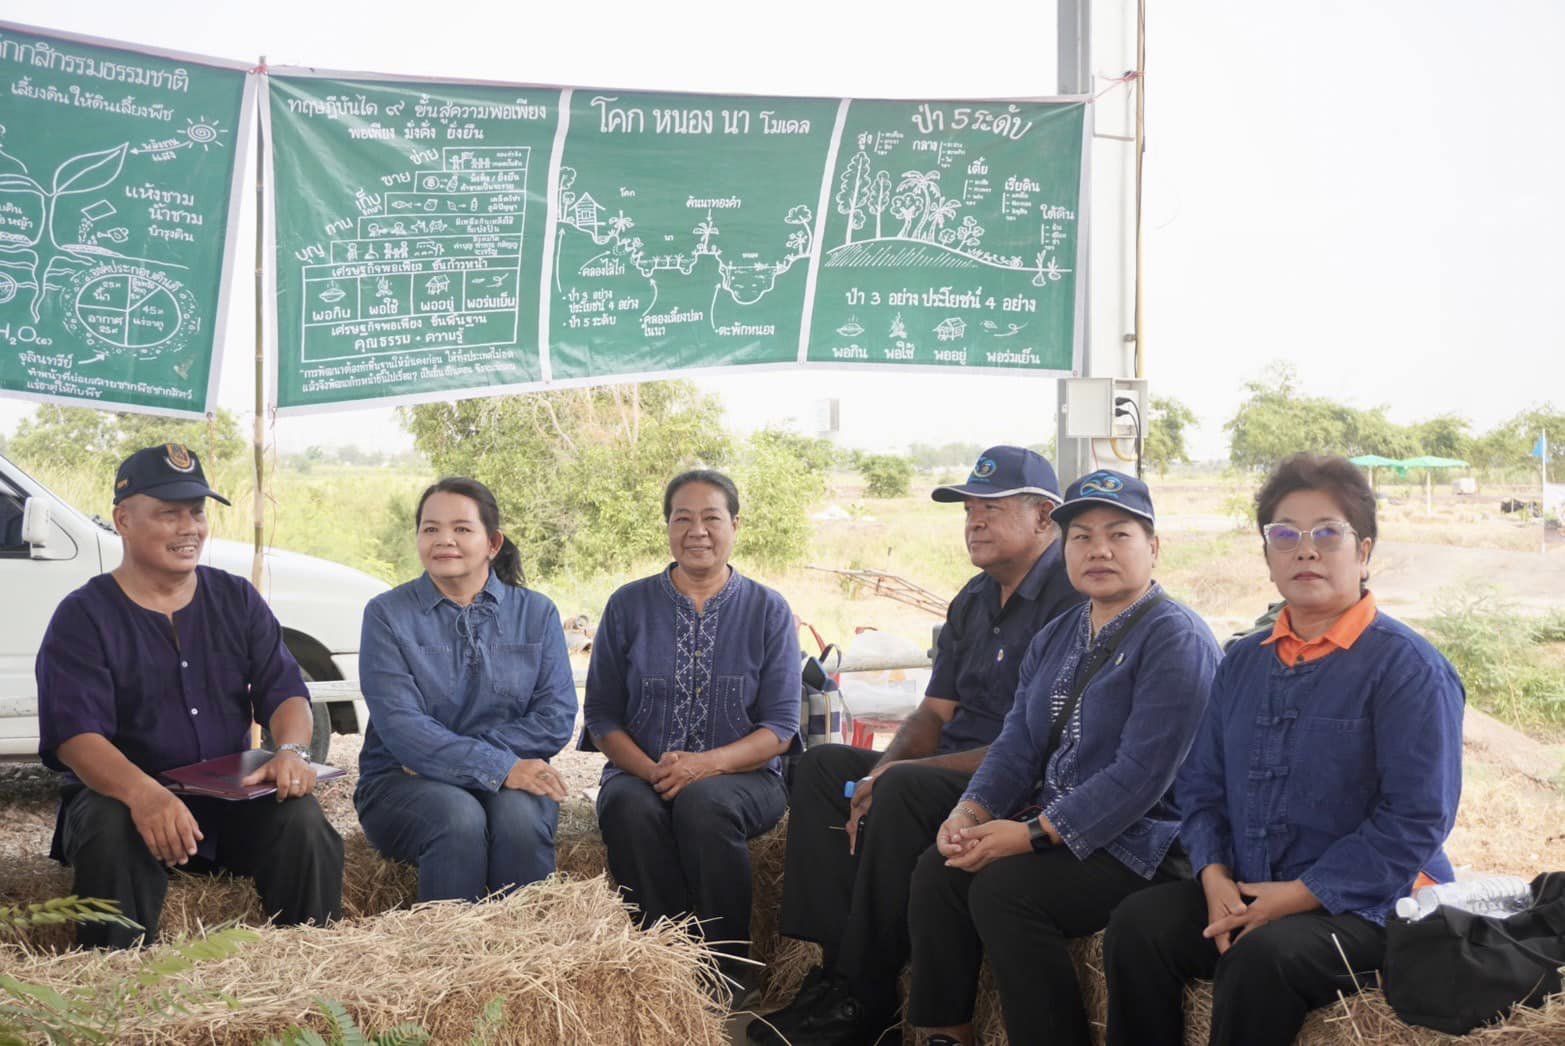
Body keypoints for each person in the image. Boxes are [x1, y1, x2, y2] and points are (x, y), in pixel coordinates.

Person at [1103, 453, 1465, 1046]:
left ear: (1365, 552)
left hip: (1370, 906)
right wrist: (1214, 877)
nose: (1306, 550)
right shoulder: (1244, 661)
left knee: (1261, 959)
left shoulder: (1408, 669)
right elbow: (1202, 786)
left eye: (1328, 533)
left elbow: (1416, 819)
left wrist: (1296, 898)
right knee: (1137, 925)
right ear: (1267, 554)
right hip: (1248, 884)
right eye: (1285, 534)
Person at [751, 446, 1084, 1046]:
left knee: (904, 786)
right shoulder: (973, 598)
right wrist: (881, 767)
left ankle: (868, 996)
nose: (974, 521)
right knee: (826, 767)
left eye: (992, 507)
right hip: (950, 769)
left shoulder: (1072, 599)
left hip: (1020, 783)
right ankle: (834, 975)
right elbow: (933, 712)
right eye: (967, 510)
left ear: (1045, 518)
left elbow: (1033, 746)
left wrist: (896, 778)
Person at [906, 469, 1219, 1046]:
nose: (1098, 549)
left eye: (1119, 535)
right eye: (1082, 536)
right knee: (939, 868)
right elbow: (1017, 745)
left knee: (1006, 890)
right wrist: (969, 814)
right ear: (1064, 546)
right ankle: (947, 1034)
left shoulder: (1176, 638)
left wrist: (1028, 836)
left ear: (1154, 547)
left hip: (1146, 845)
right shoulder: (1057, 634)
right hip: (1061, 830)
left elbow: (1141, 778)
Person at [36, 443, 343, 948]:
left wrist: (290, 750)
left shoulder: (237, 598)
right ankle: (116, 989)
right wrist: (144, 794)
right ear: (123, 521)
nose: (189, 528)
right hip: (124, 801)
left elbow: (285, 690)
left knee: (302, 818)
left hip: (228, 803)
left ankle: (315, 969)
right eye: (168, 514)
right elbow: (75, 737)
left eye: (197, 513)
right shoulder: (83, 616)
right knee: (110, 826)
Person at [582, 469, 800, 991]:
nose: (697, 531)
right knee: (628, 807)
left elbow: (781, 727)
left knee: (705, 804)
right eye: (683, 518)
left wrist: (706, 765)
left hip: (747, 777)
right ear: (667, 528)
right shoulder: (627, 606)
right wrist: (655, 770)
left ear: (735, 525)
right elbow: (603, 716)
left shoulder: (769, 610)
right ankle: (668, 966)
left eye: (711, 518)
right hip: (641, 770)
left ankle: (727, 971)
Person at [355, 477, 576, 902]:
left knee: (519, 823)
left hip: (510, 769)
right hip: (398, 782)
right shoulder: (386, 615)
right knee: (458, 817)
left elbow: (555, 717)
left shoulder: (537, 613)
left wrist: (487, 764)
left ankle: (525, 961)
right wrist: (496, 764)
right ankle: (450, 964)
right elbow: (401, 729)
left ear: (493, 543)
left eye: (461, 528)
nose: (444, 540)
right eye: (430, 529)